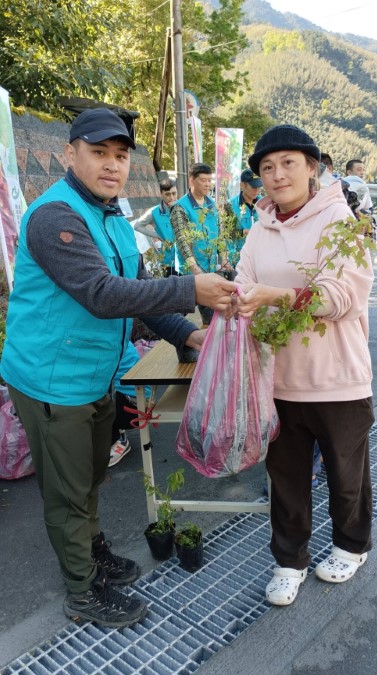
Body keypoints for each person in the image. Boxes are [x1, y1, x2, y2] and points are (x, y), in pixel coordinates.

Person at [0, 108, 234, 628]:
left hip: (97, 375)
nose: (112, 165)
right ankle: (83, 593)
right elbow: (103, 296)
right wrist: (192, 288)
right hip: (51, 381)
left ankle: (93, 550)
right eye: (98, 153)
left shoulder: (112, 216)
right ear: (70, 154)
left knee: (89, 478)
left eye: (121, 156)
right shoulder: (54, 216)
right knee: (66, 490)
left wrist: (187, 332)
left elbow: (139, 295)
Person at [234, 124, 374, 606]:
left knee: (346, 476)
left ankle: (351, 546)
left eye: (288, 163)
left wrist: (275, 296)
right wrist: (237, 301)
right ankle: (289, 561)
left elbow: (343, 297)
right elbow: (243, 280)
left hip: (338, 382)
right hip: (279, 381)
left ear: (312, 167)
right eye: (267, 168)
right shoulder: (259, 227)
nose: (276, 174)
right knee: (286, 480)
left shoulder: (341, 221)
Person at [170, 163, 220, 325]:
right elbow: (182, 241)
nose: (207, 184)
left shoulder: (211, 204)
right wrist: (194, 268)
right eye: (203, 180)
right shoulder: (180, 208)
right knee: (186, 311)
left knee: (210, 309)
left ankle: (207, 338)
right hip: (191, 270)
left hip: (209, 265)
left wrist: (223, 257)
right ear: (192, 181)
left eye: (209, 180)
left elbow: (219, 230)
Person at [133, 178, 178, 276]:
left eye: (174, 193)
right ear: (161, 194)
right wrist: (156, 235)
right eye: (167, 194)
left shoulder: (184, 208)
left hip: (186, 258)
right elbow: (137, 226)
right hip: (168, 261)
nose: (172, 197)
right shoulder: (154, 212)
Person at [224, 169, 263, 266]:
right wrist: (242, 232)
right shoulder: (230, 206)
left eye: (258, 186)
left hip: (261, 257)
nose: (257, 190)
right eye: (253, 186)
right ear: (242, 185)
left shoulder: (264, 204)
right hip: (239, 259)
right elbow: (226, 235)